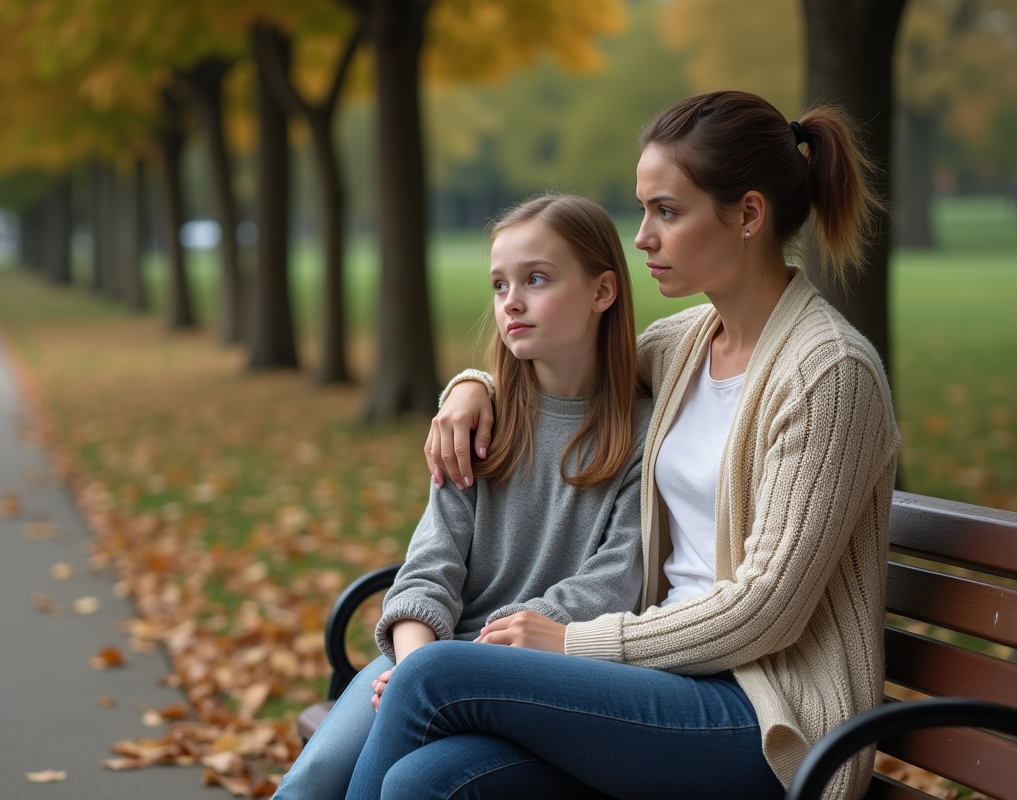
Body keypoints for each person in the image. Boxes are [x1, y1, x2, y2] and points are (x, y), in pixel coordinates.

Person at [349, 90, 900, 800]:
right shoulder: (682, 347)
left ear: (749, 216)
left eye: (667, 211)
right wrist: (470, 387)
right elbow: (558, 356)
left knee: (432, 676)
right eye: (644, 211)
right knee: (429, 781)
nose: (642, 237)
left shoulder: (828, 373)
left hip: (767, 720)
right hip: (656, 685)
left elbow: (768, 607)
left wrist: (578, 642)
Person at [274, 194, 653, 800]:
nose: (513, 302)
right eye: (500, 285)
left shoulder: (646, 436)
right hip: (429, 654)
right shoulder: (477, 423)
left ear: (603, 291)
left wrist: (457, 669)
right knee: (313, 780)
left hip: (539, 679)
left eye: (537, 279)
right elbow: (426, 571)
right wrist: (411, 666)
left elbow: (611, 584)